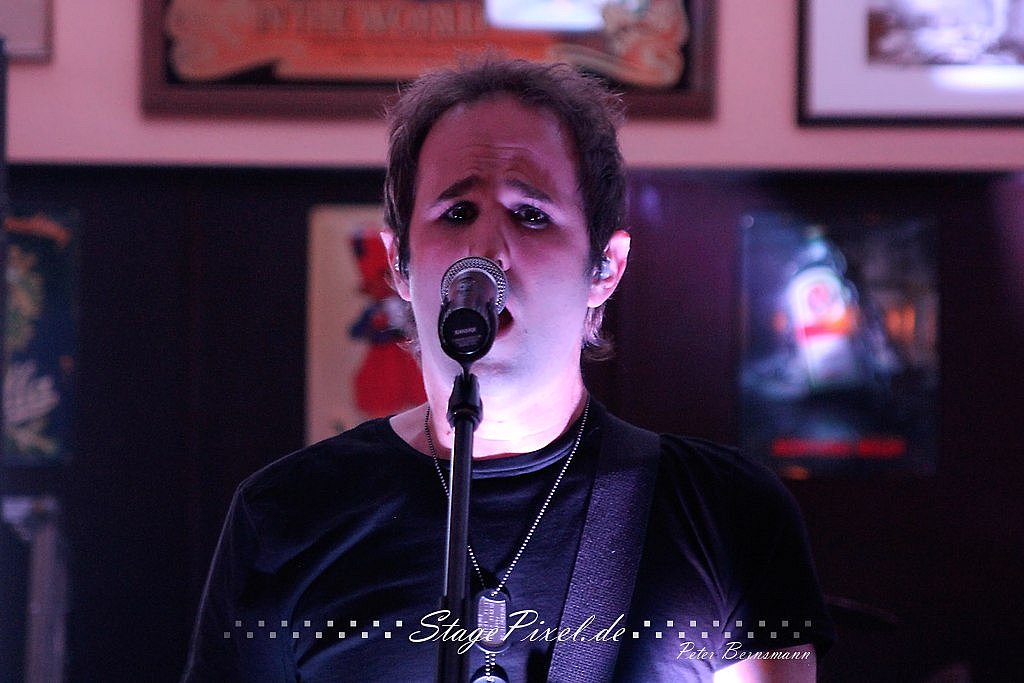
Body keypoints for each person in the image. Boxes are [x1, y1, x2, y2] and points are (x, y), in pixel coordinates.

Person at [182, 57, 834, 682]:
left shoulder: (730, 512)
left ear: (605, 267)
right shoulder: (284, 514)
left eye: (531, 215)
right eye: (457, 213)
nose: (486, 251)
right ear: (399, 264)